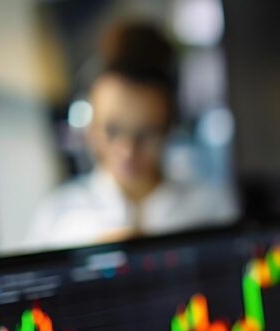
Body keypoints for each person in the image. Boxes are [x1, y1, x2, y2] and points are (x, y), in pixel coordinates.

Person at [25, 21, 238, 250]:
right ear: (91, 125)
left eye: (147, 133)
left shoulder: (211, 208)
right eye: (112, 130)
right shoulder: (57, 216)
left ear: (169, 126)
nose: (128, 150)